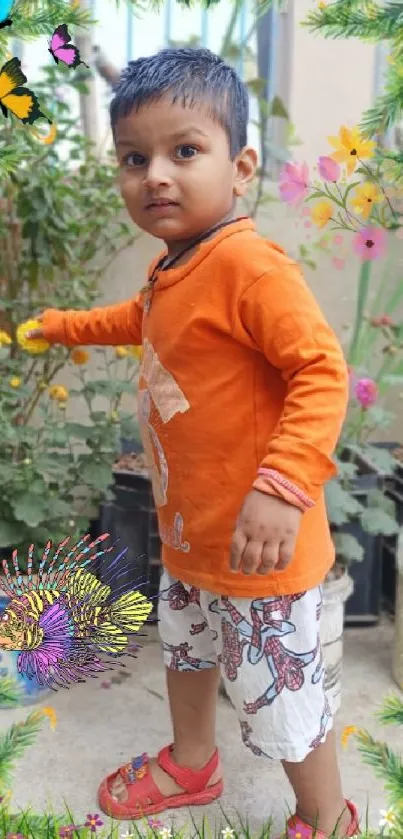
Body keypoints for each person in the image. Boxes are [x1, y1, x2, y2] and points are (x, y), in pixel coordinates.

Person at [27, 48, 359, 838]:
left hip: (260, 551)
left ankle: (325, 814)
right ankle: (191, 760)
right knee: (186, 654)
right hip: (194, 538)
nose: (156, 176)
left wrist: (282, 485)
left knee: (284, 698)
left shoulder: (248, 265)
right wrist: (60, 326)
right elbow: (133, 321)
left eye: (184, 151)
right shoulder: (174, 269)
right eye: (134, 159)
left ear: (240, 165)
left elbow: (321, 370)